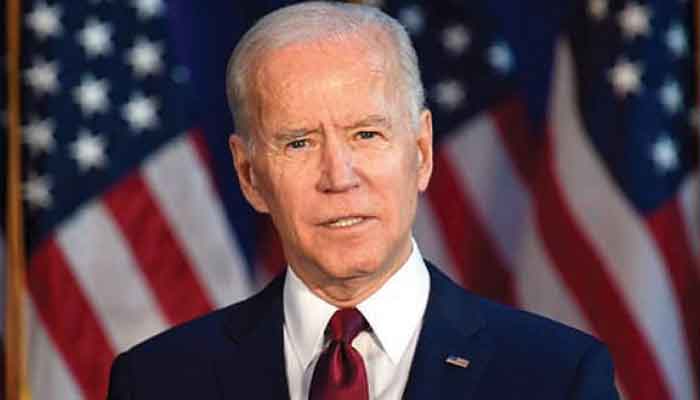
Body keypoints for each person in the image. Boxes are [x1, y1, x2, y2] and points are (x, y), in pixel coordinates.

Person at [107, 2, 620, 399]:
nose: (339, 177)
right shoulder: (157, 381)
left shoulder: (557, 378)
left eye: (367, 135)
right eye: (299, 142)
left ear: (420, 152)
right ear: (250, 176)